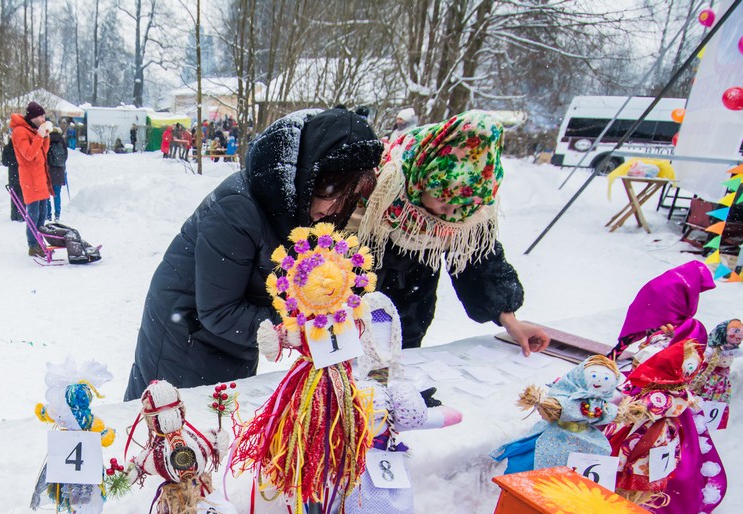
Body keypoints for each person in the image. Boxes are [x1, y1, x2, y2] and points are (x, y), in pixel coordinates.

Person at [124, 108, 383, 399]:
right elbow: (219, 312)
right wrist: (298, 326)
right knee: (176, 422)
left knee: (223, 415)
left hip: (232, 338)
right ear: (311, 173)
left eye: (346, 199)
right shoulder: (238, 208)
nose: (334, 208)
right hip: (186, 334)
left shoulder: (301, 209)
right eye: (330, 191)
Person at [358, 110, 548, 354]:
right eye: (442, 199)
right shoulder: (385, 179)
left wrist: (510, 320)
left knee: (395, 371)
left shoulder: (474, 203)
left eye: (461, 208)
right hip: (351, 308)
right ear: (422, 180)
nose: (448, 214)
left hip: (409, 312)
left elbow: (479, 259)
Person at [9, 101, 53, 256]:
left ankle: (39, 243)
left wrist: (45, 137)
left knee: (43, 214)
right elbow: (29, 154)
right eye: (41, 116)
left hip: (40, 178)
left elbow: (42, 152)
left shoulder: (33, 130)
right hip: (31, 180)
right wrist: (40, 136)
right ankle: (33, 245)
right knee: (33, 216)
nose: (43, 119)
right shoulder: (20, 131)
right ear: (33, 117)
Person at [0, 134, 23, 222]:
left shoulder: (7, 148)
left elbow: (5, 162)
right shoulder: (20, 147)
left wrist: (11, 162)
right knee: (21, 195)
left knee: (13, 194)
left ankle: (14, 215)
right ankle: (21, 214)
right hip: (21, 172)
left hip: (12, 174)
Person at [48, 124, 68, 222]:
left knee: (47, 195)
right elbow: (65, 157)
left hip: (49, 171)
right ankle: (57, 214)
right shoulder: (61, 141)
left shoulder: (47, 140)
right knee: (57, 194)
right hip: (59, 171)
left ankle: (48, 214)